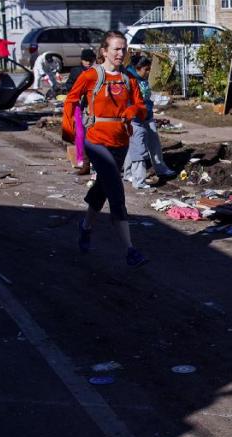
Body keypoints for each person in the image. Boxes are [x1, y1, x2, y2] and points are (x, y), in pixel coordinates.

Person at [62, 31, 149, 267]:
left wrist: (134, 111)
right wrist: (70, 130)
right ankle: (130, 250)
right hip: (96, 140)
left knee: (102, 187)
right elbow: (70, 99)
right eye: (116, 49)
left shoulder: (129, 79)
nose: (121, 53)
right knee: (116, 192)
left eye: (124, 49)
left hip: (121, 141)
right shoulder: (91, 76)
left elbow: (142, 106)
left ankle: (86, 226)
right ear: (104, 51)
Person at [123, 55, 174, 188]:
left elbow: (146, 97)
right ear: (137, 68)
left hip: (147, 114)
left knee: (154, 142)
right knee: (136, 147)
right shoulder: (130, 79)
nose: (148, 72)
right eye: (146, 69)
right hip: (135, 118)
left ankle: (160, 168)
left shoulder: (142, 79)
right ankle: (130, 174)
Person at [62, 48, 96, 175]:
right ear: (82, 60)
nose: (88, 63)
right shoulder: (76, 71)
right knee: (81, 134)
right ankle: (84, 163)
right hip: (79, 106)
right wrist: (79, 89)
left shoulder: (97, 71)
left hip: (92, 107)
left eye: (90, 60)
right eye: (86, 61)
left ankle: (91, 163)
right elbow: (69, 85)